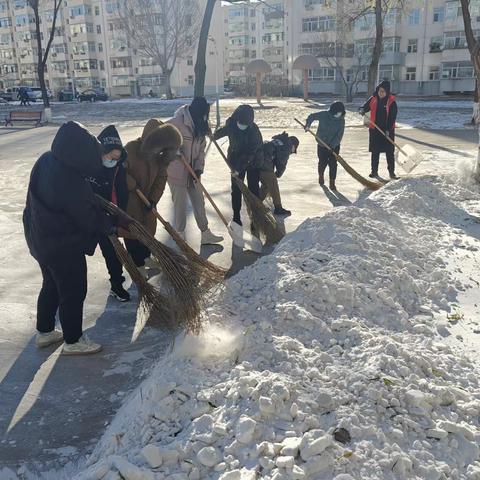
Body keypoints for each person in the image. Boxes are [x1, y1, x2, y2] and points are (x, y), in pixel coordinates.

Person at [23, 121, 131, 355]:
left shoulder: (46, 159)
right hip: (62, 243)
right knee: (73, 289)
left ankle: (45, 332)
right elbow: (86, 217)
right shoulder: (69, 178)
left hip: (40, 236)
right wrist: (111, 227)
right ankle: (73, 341)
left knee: (51, 284)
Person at [123, 119, 182, 273]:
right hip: (130, 200)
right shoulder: (131, 149)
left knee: (148, 230)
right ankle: (138, 265)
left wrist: (153, 200)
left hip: (147, 199)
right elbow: (119, 172)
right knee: (132, 233)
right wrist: (130, 183)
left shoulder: (160, 157)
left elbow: (161, 179)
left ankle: (146, 258)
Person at [166, 97, 223, 244]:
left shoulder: (201, 124)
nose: (204, 117)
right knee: (180, 205)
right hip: (177, 172)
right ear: (195, 111)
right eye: (203, 114)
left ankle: (205, 233)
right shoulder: (177, 123)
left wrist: (198, 169)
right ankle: (180, 235)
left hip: (193, 171)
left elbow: (201, 150)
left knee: (199, 201)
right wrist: (173, 149)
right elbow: (161, 137)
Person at [85, 125, 130, 302]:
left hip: (106, 216)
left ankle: (117, 285)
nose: (112, 161)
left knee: (113, 252)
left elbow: (122, 192)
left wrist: (119, 216)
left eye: (117, 159)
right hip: (83, 215)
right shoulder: (87, 164)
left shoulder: (118, 168)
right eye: (111, 157)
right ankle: (61, 289)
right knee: (72, 254)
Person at [214, 104, 263, 226]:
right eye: (240, 123)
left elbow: (251, 153)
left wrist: (239, 169)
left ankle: (256, 217)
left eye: (245, 124)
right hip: (235, 160)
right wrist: (213, 135)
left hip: (252, 162)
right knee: (236, 190)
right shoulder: (232, 125)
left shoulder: (254, 132)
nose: (242, 126)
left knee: (253, 190)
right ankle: (236, 216)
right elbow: (222, 132)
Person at [359, 80, 399, 179]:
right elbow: (365, 107)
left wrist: (388, 130)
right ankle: (374, 171)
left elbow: (392, 118)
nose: (381, 93)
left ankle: (391, 172)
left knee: (389, 151)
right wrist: (362, 110)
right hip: (374, 130)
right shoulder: (373, 98)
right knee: (375, 151)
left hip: (387, 130)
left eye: (383, 91)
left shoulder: (392, 102)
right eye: (380, 91)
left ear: (387, 92)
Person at [305, 101, 346, 191]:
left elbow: (339, 135)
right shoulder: (324, 115)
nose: (338, 114)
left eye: (340, 112)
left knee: (333, 164)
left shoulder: (341, 120)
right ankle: (321, 175)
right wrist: (308, 125)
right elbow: (312, 116)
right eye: (337, 112)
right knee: (322, 162)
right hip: (321, 143)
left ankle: (332, 182)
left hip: (334, 146)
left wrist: (333, 146)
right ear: (332, 111)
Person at [259, 132, 299, 216]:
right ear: (293, 146)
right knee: (273, 183)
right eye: (294, 150)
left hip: (257, 161)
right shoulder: (287, 146)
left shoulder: (280, 141)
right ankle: (278, 208)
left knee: (267, 183)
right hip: (264, 162)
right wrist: (278, 174)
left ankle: (258, 201)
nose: (292, 152)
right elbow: (281, 163)